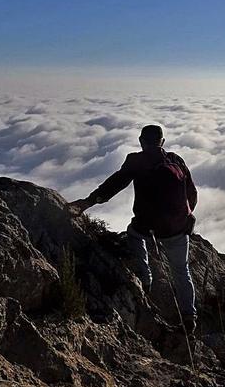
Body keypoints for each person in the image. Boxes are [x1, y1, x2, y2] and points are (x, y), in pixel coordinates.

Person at [69, 125, 198, 332]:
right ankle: (189, 315)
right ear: (162, 142)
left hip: (146, 227)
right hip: (178, 228)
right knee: (182, 271)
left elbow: (114, 185)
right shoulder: (176, 160)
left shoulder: (136, 161)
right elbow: (191, 192)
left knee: (133, 234)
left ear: (141, 141)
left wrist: (88, 202)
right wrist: (188, 216)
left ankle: (145, 276)